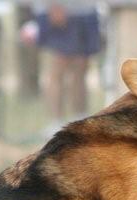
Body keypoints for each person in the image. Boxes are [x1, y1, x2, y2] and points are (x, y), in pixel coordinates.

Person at [33, 0, 101, 130]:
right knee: (57, 70)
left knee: (81, 69)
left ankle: (79, 120)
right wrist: (53, 5)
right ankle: (55, 123)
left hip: (86, 11)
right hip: (59, 9)